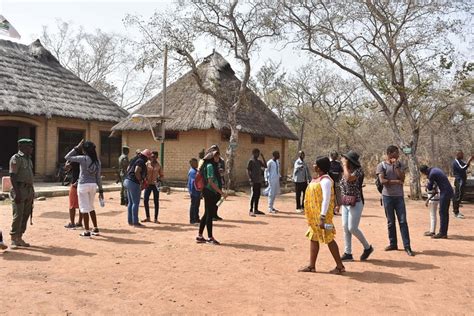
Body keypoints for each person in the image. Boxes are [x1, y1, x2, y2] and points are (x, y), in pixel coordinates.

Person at [298, 156, 345, 274]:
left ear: (319, 167)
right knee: (313, 238)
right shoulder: (318, 179)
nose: (313, 165)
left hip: (323, 218)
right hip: (315, 218)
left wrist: (322, 217)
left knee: (329, 238)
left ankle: (340, 266)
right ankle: (311, 266)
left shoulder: (326, 181)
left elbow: (326, 199)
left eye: (315, 163)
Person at [376, 145, 414, 256]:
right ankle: (393, 244)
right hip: (387, 197)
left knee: (403, 221)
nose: (398, 155)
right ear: (390, 153)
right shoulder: (381, 165)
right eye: (396, 153)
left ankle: (407, 246)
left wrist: (396, 167)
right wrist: (395, 182)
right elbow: (382, 180)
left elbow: (402, 178)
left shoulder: (400, 164)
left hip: (399, 197)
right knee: (390, 222)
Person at [339, 151, 373, 262]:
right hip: (346, 202)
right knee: (345, 227)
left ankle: (367, 247)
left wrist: (344, 165)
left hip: (356, 201)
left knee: (352, 228)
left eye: (345, 159)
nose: (343, 160)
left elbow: (349, 178)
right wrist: (338, 204)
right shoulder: (345, 171)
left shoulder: (358, 171)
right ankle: (348, 253)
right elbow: (343, 188)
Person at [65, 140, 103, 237]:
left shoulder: (83, 159)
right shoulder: (97, 161)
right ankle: (95, 228)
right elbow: (98, 177)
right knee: (91, 207)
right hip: (93, 185)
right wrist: (101, 190)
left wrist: (77, 147)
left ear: (85, 150)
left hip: (83, 185)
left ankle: (87, 231)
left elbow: (67, 157)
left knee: (84, 208)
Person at [196, 148, 227, 245]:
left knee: (207, 214)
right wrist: (221, 192)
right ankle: (210, 237)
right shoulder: (210, 166)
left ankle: (200, 236)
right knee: (209, 215)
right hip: (209, 192)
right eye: (216, 156)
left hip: (211, 192)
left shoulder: (213, 165)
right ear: (212, 157)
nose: (218, 158)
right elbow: (211, 182)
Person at [9, 138, 35, 249]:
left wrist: (32, 191)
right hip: (19, 189)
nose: (31, 149)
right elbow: (13, 176)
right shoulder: (16, 158)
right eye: (29, 147)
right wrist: (17, 193)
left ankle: (19, 237)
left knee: (26, 214)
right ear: (22, 147)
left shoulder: (29, 159)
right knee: (18, 215)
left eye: (31, 147)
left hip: (28, 190)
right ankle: (14, 238)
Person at [420, 165, 454, 239]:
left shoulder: (432, 174)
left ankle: (442, 233)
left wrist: (427, 183)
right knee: (444, 212)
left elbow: (429, 187)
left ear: (424, 172)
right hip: (447, 191)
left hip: (445, 192)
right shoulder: (435, 169)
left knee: (442, 212)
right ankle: (443, 232)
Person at [124, 149, 151, 227]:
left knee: (130, 202)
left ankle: (130, 221)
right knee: (135, 203)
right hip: (133, 182)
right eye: (148, 158)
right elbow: (137, 171)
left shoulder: (134, 159)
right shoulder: (141, 161)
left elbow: (128, 168)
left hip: (127, 180)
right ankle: (135, 222)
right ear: (146, 157)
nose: (148, 160)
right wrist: (140, 181)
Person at [142, 151, 164, 223]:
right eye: (151, 156)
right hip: (148, 184)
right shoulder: (146, 164)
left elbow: (162, 175)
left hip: (155, 185)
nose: (152, 158)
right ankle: (148, 217)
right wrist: (144, 179)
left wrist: (159, 179)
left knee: (156, 201)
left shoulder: (159, 166)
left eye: (154, 157)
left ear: (157, 157)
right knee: (145, 200)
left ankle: (155, 218)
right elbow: (143, 173)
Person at [452, 150, 473, 219]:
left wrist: (469, 162)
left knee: (460, 196)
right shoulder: (456, 162)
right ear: (458, 155)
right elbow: (462, 169)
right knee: (458, 196)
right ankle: (456, 212)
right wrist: (469, 161)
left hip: (462, 180)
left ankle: (456, 211)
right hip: (459, 181)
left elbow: (465, 167)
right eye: (461, 154)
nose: (463, 156)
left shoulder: (460, 161)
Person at [63, 160, 83, 229]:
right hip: (84, 184)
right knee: (82, 204)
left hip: (75, 184)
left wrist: (68, 161)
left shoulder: (75, 159)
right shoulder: (86, 159)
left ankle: (72, 222)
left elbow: (66, 167)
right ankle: (80, 222)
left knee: (72, 205)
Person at [247, 148, 267, 217]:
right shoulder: (251, 161)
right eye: (256, 153)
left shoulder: (259, 161)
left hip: (258, 181)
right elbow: (248, 170)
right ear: (253, 153)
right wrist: (250, 179)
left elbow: (265, 166)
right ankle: (251, 210)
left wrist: (263, 157)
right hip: (254, 181)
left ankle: (256, 209)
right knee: (253, 195)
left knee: (258, 196)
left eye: (258, 153)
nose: (258, 155)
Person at [187, 158, 201, 224]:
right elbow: (194, 182)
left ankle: (197, 218)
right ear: (192, 164)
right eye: (195, 163)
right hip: (194, 191)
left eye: (197, 163)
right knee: (194, 205)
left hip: (197, 191)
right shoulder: (192, 171)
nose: (197, 164)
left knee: (197, 205)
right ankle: (192, 219)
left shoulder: (195, 170)